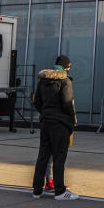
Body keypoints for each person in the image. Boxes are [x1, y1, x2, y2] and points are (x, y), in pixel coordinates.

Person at [32, 55, 78, 200]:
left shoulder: (42, 80)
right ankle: (60, 191)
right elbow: (67, 102)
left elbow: (36, 101)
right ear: (66, 67)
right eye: (69, 66)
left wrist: (45, 113)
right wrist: (71, 119)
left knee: (43, 156)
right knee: (59, 157)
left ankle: (37, 190)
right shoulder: (65, 80)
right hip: (60, 123)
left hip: (46, 122)